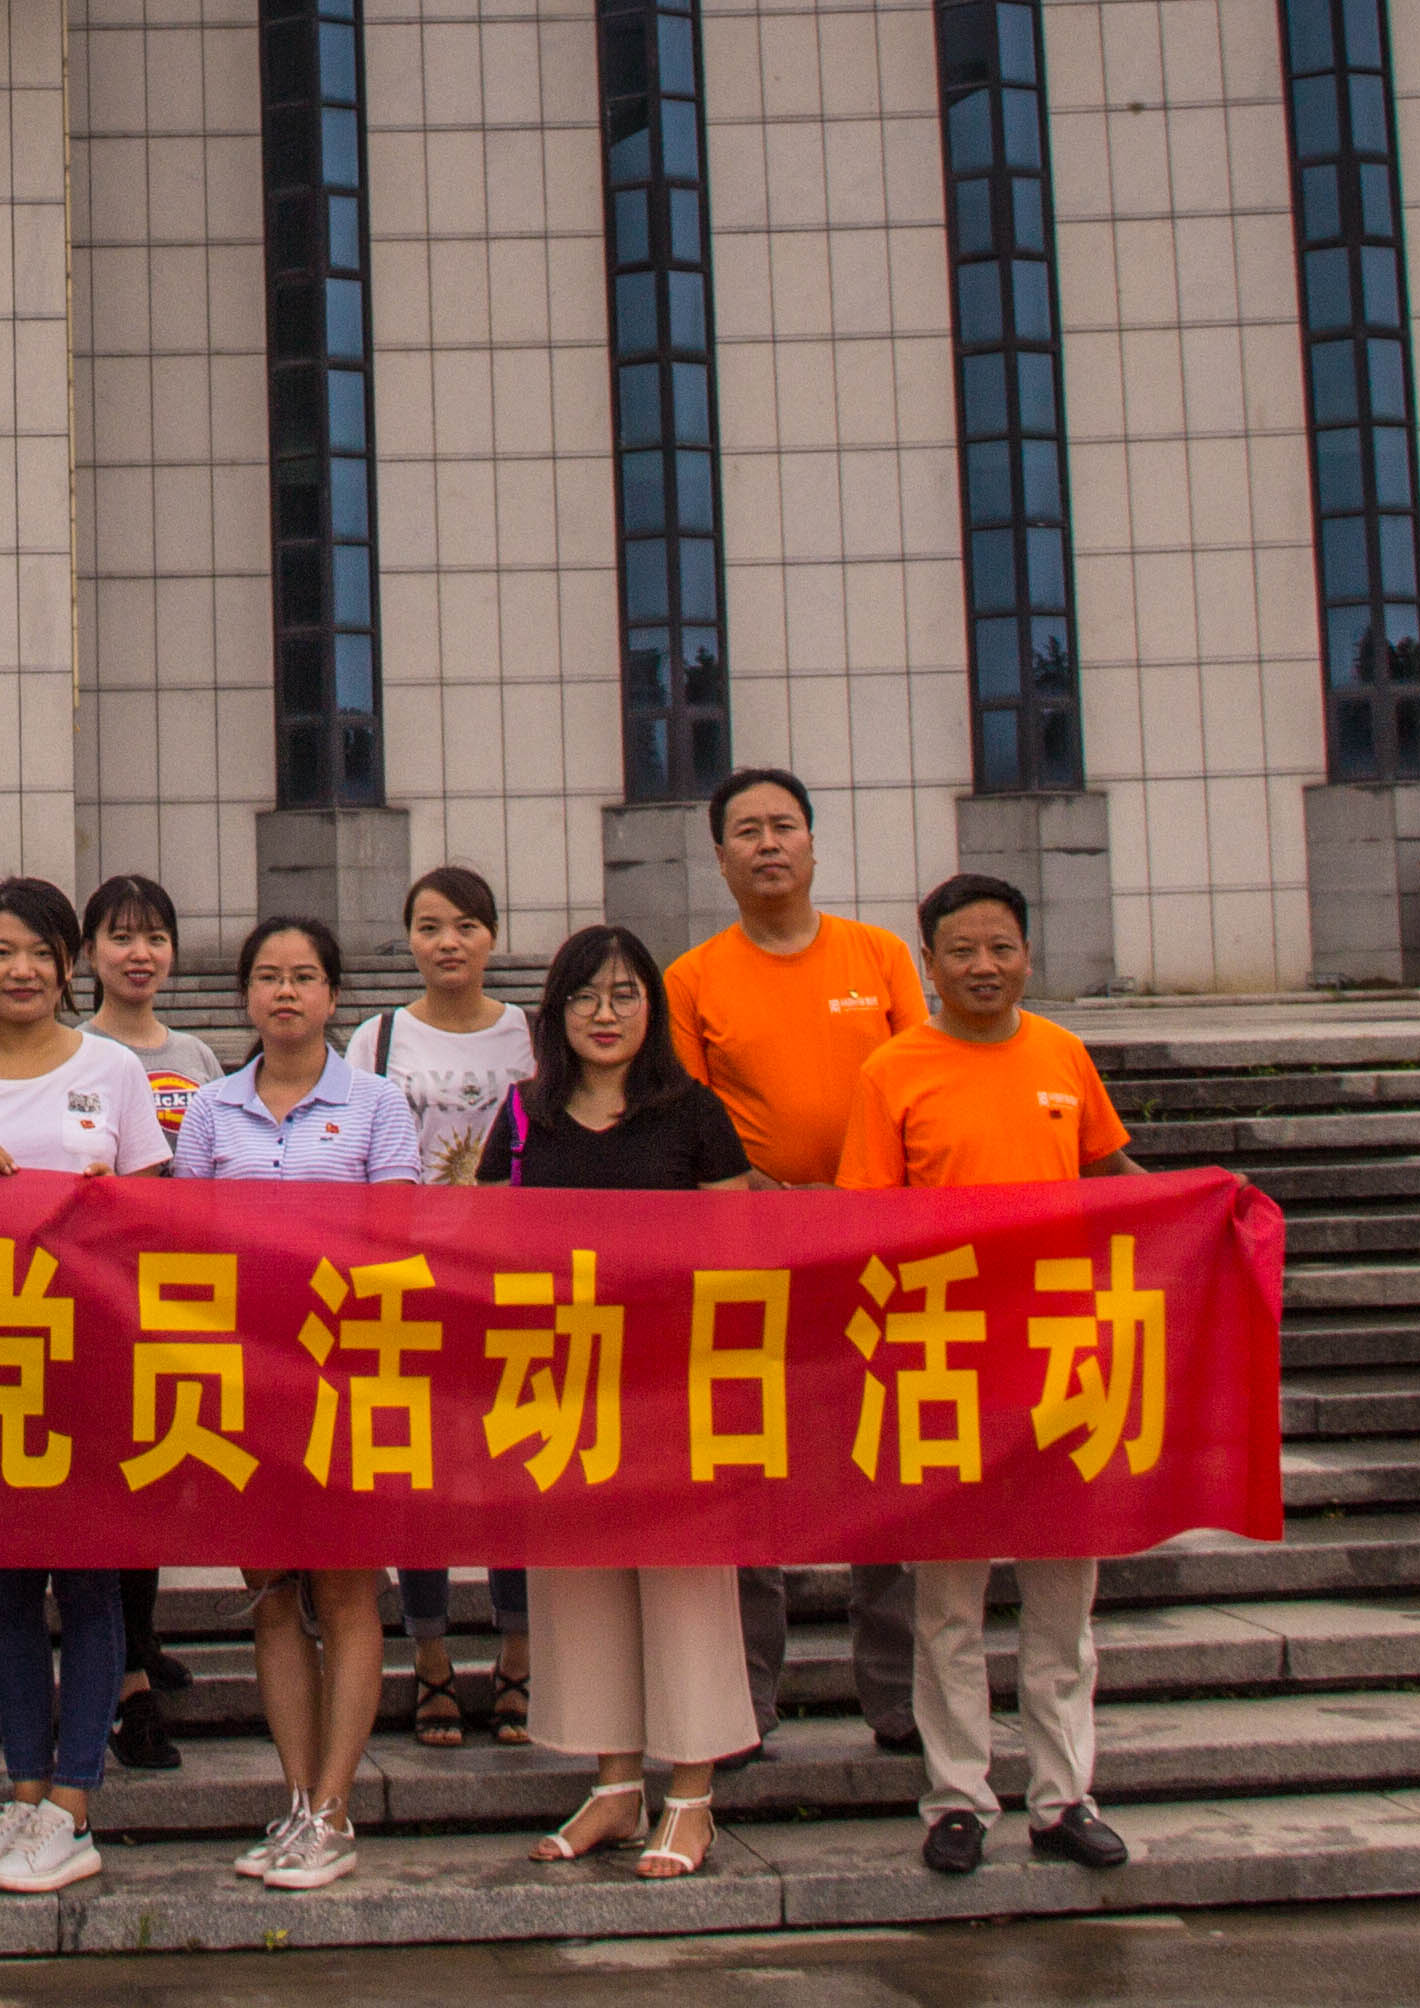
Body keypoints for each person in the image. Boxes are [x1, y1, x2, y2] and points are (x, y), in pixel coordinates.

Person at [839, 870, 1145, 1882]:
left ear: (1027, 954)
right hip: (948, 1371)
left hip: (1060, 1369)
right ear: (928, 962)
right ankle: (959, 1800)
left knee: (1063, 1610)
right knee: (948, 1611)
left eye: (1001, 948)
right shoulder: (892, 1071)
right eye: (962, 950)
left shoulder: (1062, 1054)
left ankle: (1065, 1798)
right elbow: (866, 1223)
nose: (984, 966)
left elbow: (1110, 1175)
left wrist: (1211, 1209)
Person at [479, 922, 755, 1880]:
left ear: (653, 1009)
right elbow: (489, 1246)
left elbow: (740, 1251)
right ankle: (613, 1785)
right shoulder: (525, 1117)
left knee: (686, 1585)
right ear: (555, 1013)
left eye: (625, 994)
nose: (605, 1013)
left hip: (673, 1387)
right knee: (581, 1586)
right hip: (567, 1384)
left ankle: (692, 1799)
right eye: (585, 996)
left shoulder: (694, 1115)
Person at [658, 764, 928, 1737]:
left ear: (813, 842)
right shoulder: (693, 978)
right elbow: (689, 1121)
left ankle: (900, 1700)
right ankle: (745, 1704)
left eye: (784, 826)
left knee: (887, 1471)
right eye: (748, 831)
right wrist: (772, 1200)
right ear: (720, 856)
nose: (768, 844)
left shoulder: (880, 957)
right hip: (752, 1258)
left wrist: (854, 1201)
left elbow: (922, 1085)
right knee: (751, 1472)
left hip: (877, 1257)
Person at [0, 874, 168, 1898]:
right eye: (1, 951)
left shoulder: (113, 1069)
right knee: (8, 1582)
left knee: (89, 1578)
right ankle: (23, 1794)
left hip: (90, 1355)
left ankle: (73, 1802)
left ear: (70, 966)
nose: (21, 971)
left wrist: (102, 1202)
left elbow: (153, 1216)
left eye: (40, 953)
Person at [176, 912, 411, 1891]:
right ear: (245, 996)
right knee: (273, 1593)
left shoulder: (378, 1104)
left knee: (346, 1589)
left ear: (332, 995)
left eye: (304, 976)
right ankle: (298, 1802)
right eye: (268, 976)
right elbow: (186, 1244)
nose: (285, 992)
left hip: (346, 1377)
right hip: (246, 1382)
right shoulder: (210, 1110)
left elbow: (397, 1235)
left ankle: (336, 1811)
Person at [352, 861, 531, 1748]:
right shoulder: (378, 1038)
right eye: (429, 927)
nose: (448, 943)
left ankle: (518, 1659)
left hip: (512, 1287)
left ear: (492, 935)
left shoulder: (532, 1035)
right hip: (409, 1286)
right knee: (416, 1477)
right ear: (409, 940)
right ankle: (430, 1663)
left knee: (512, 1474)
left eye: (465, 925)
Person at [78, 872, 218, 1774]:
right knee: (109, 1489)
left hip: (171, 1298)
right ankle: (125, 1679)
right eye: (122, 937)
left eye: (155, 937)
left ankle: (143, 1635)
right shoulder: (74, 1051)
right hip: (92, 1299)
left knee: (155, 1479)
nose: (140, 954)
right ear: (89, 952)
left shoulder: (198, 1056)